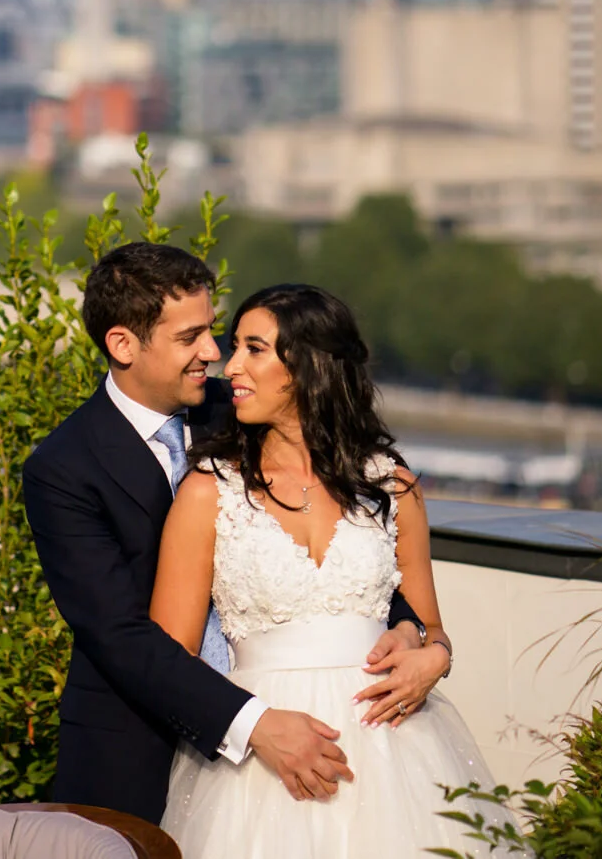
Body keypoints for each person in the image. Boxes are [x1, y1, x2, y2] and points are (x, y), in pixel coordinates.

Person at [23, 243, 429, 824]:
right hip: (136, 746)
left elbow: (346, 533)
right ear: (123, 344)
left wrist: (419, 634)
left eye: (213, 332)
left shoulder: (245, 406)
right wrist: (256, 724)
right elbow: (119, 635)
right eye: (190, 338)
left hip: (314, 733)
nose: (214, 355)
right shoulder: (63, 468)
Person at [152, 283, 515, 857]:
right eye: (234, 346)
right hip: (261, 761)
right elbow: (166, 658)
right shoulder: (208, 492)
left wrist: (433, 659)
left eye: (254, 348)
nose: (231, 364)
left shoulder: (391, 484)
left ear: (309, 366)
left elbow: (428, 626)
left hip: (396, 747)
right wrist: (256, 729)